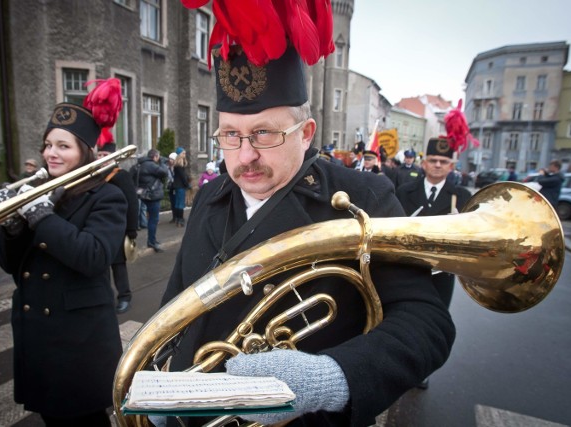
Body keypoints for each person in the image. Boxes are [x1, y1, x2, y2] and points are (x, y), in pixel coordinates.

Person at [157, 3, 455, 426]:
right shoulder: (210, 196)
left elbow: (427, 321)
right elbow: (175, 303)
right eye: (229, 135)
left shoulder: (364, 196)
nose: (245, 155)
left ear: (307, 132)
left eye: (264, 133)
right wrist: (159, 379)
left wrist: (334, 378)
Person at [0, 78, 126, 426]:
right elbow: (10, 265)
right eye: (48, 144)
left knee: (84, 420)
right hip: (37, 334)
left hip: (78, 341)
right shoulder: (35, 192)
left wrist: (40, 217)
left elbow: (93, 256)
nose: (51, 153)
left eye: (63, 146)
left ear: (84, 151)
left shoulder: (105, 197)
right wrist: (10, 227)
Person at [396, 137, 472, 309]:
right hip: (409, 268)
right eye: (433, 160)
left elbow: (470, 238)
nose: (438, 165)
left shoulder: (461, 196)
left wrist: (462, 225)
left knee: (438, 316)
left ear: (451, 166)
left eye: (443, 161)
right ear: (424, 164)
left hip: (442, 272)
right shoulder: (405, 192)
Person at [97, 141, 139, 314]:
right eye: (99, 155)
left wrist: (131, 230)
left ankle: (124, 296)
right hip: (99, 227)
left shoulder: (121, 176)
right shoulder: (94, 176)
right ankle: (104, 296)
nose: (101, 159)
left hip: (118, 228)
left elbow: (132, 203)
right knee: (101, 265)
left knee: (118, 265)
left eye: (104, 156)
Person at [134, 148, 169, 252]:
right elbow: (164, 173)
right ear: (155, 156)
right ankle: (151, 242)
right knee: (153, 220)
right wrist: (162, 162)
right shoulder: (151, 165)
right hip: (152, 196)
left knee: (149, 217)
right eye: (158, 157)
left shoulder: (140, 164)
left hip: (144, 194)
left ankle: (152, 240)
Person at [171, 146, 190, 227]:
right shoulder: (179, 164)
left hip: (177, 185)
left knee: (177, 203)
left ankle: (177, 219)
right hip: (180, 186)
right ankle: (180, 220)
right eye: (183, 153)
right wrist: (187, 185)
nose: (184, 154)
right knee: (180, 203)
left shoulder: (177, 164)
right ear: (179, 154)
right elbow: (182, 177)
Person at [167, 152, 177, 223]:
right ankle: (174, 217)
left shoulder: (177, 167)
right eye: (170, 159)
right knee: (172, 202)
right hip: (171, 186)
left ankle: (177, 216)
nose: (170, 160)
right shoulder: (168, 167)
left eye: (172, 159)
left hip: (176, 186)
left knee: (176, 202)